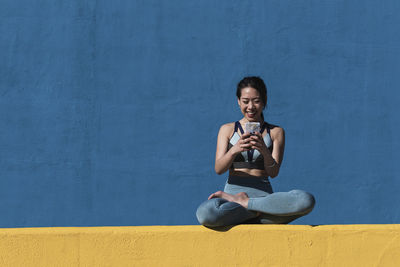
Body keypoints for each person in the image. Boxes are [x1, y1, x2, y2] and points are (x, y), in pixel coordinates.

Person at [196, 76, 315, 227]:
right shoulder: (227, 130)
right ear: (238, 101)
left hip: (264, 199)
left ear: (264, 101)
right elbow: (219, 169)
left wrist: (264, 151)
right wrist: (235, 150)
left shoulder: (275, 132)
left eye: (256, 101)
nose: (250, 107)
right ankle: (253, 212)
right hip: (232, 200)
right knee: (206, 214)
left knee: (306, 200)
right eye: (245, 101)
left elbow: (273, 173)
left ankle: (249, 205)